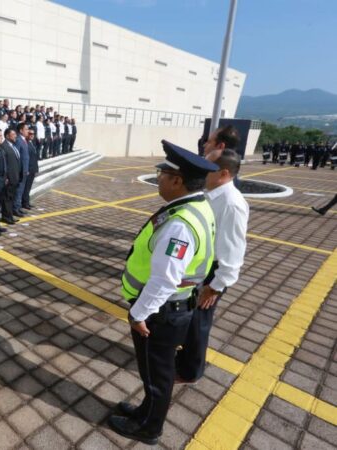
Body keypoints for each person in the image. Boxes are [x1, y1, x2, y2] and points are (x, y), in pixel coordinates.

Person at [109, 141, 218, 445]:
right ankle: (146, 411)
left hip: (161, 313)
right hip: (171, 309)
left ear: (177, 181)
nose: (158, 177)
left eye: (162, 173)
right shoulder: (197, 205)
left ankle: (149, 428)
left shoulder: (180, 225)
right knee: (154, 371)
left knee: (156, 374)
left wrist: (137, 313)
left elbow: (164, 280)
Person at [175, 148, 249, 384]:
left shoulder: (232, 204)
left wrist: (215, 287)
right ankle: (186, 357)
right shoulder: (213, 194)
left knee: (199, 322)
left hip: (213, 273)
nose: (202, 170)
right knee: (191, 318)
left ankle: (190, 371)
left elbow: (234, 252)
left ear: (223, 173)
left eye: (209, 166)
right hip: (202, 267)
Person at [0, 128, 21, 225]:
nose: (15, 136)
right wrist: (6, 177)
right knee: (7, 198)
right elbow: (4, 164)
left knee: (11, 197)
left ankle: (10, 215)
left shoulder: (13, 146)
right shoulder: (3, 146)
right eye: (13, 134)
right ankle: (6, 217)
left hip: (15, 176)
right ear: (7, 136)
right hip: (9, 178)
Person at [12, 123, 30, 217]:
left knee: (21, 189)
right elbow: (17, 156)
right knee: (19, 190)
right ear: (21, 130)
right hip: (21, 169)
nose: (28, 131)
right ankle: (15, 208)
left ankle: (18, 207)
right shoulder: (19, 140)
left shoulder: (24, 140)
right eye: (26, 129)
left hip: (25, 169)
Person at [22, 129, 39, 210]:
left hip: (33, 169)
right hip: (28, 169)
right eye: (30, 133)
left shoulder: (31, 143)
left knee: (28, 187)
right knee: (26, 187)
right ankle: (25, 203)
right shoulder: (26, 144)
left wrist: (36, 169)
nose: (32, 135)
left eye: (33, 133)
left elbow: (34, 158)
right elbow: (26, 158)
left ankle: (27, 201)